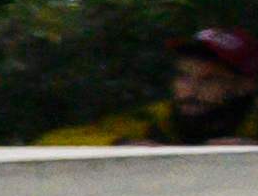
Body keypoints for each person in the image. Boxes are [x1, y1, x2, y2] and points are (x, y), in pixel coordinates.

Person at [43, 23, 256, 148]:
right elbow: (52, 141)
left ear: (245, 85)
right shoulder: (156, 119)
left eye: (209, 80)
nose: (190, 90)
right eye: (183, 76)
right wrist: (121, 145)